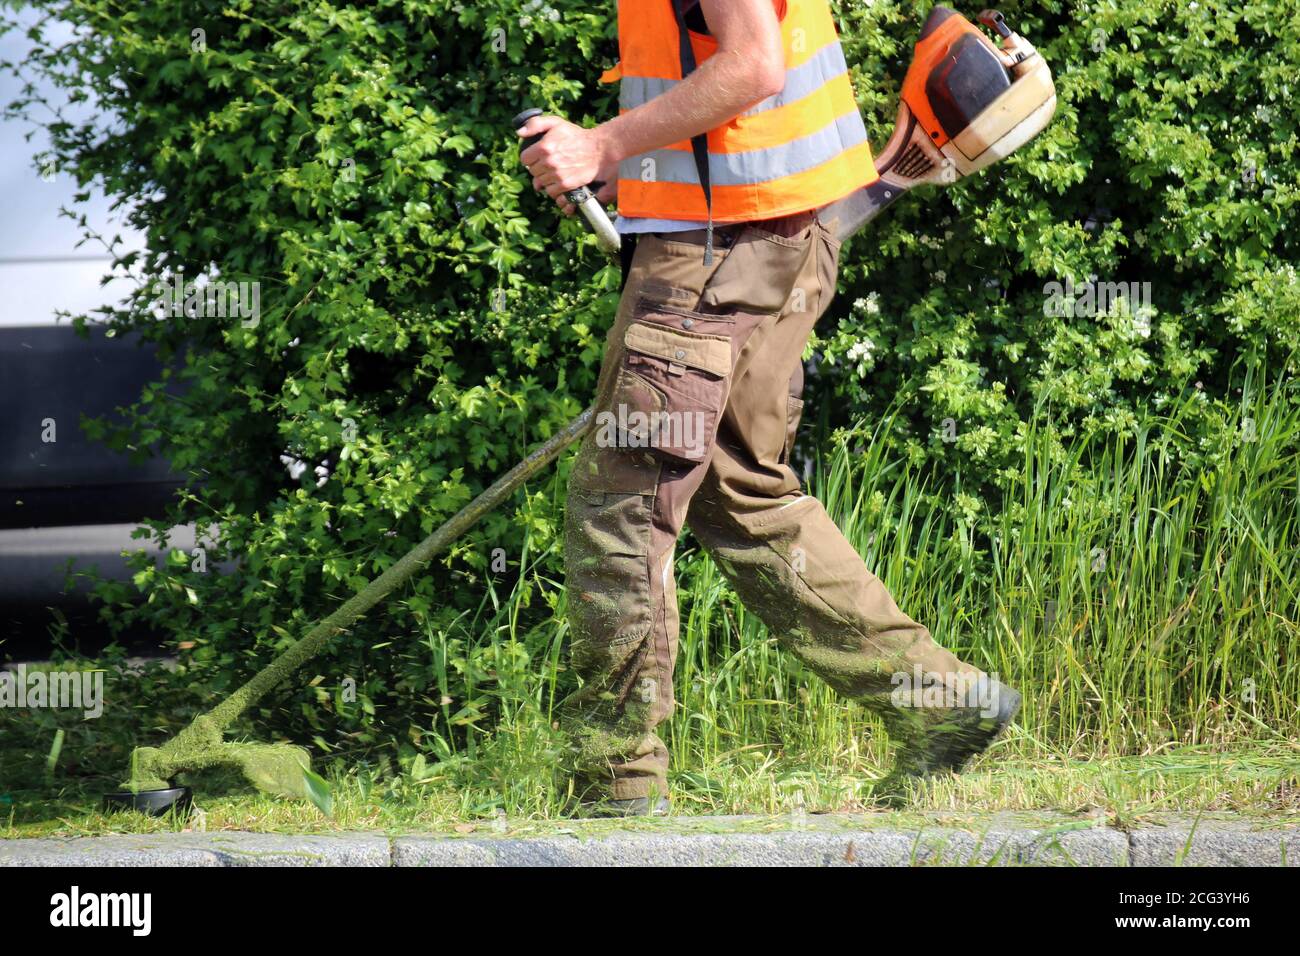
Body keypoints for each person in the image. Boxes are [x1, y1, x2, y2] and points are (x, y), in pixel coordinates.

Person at [519, 0, 1019, 815]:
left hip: (717, 255)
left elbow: (753, 63)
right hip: (781, 234)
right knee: (735, 485)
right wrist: (631, 163)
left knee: (623, 504)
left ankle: (612, 785)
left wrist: (602, 143)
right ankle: (942, 700)